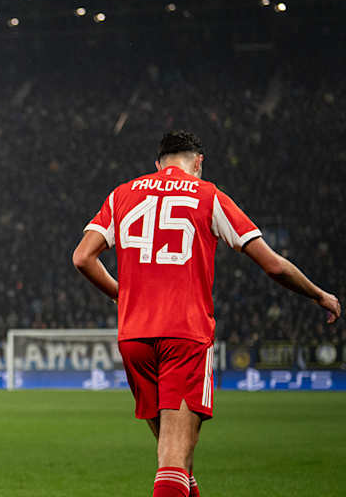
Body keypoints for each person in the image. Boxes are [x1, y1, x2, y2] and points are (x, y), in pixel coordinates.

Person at [72, 130, 340, 497]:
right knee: (172, 460)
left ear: (158, 164)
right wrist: (318, 294)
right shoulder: (208, 195)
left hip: (133, 338)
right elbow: (274, 266)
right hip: (184, 335)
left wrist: (124, 295)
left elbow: (82, 257)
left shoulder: (122, 194)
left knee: (181, 463)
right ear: (198, 163)